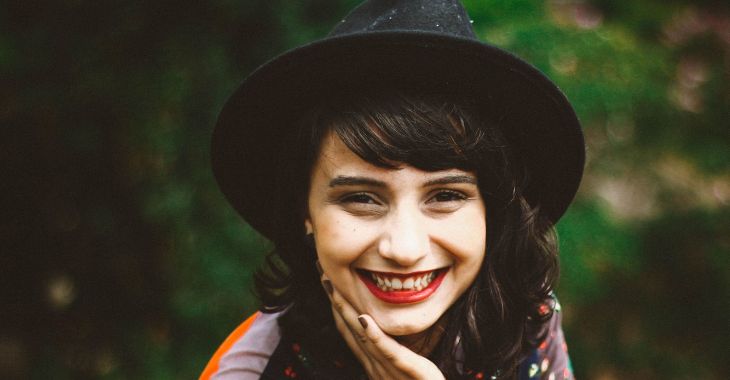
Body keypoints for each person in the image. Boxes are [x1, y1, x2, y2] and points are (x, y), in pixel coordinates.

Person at [202, 1, 584, 379]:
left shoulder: (528, 319)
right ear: (305, 210)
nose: (404, 250)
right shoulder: (250, 372)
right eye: (361, 199)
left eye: (445, 195)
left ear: (491, 210)